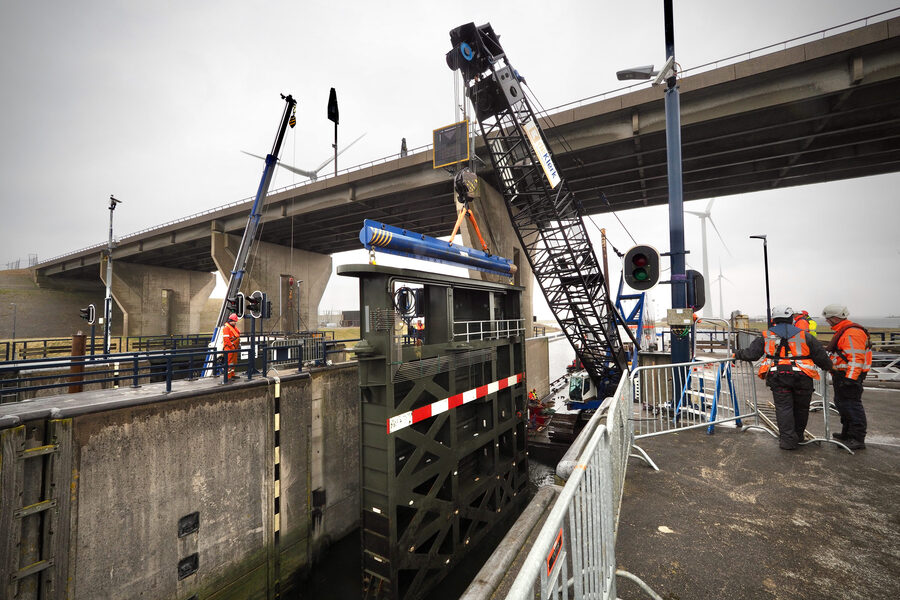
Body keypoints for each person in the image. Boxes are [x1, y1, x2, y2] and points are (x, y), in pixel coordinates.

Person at [734, 304, 833, 450]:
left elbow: (751, 354)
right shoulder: (805, 336)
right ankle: (798, 436)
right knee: (801, 408)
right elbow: (821, 357)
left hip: (779, 377)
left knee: (784, 408)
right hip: (803, 377)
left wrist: (737, 354)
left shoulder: (766, 335)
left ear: (774, 319)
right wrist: (830, 368)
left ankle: (787, 441)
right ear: (791, 318)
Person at [822, 304, 872, 450]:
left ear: (836, 318)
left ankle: (857, 438)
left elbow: (856, 358)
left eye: (828, 318)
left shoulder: (851, 333)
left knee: (852, 406)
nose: (827, 321)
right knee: (843, 404)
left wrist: (850, 379)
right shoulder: (844, 331)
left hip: (849, 377)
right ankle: (847, 433)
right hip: (842, 375)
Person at [222, 313, 241, 379]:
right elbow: (226, 340)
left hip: (234, 348)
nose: (235, 323)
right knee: (229, 362)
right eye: (234, 321)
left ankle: (232, 374)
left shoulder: (233, 328)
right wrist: (232, 346)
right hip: (229, 348)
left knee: (234, 362)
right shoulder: (226, 329)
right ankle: (228, 377)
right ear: (231, 321)